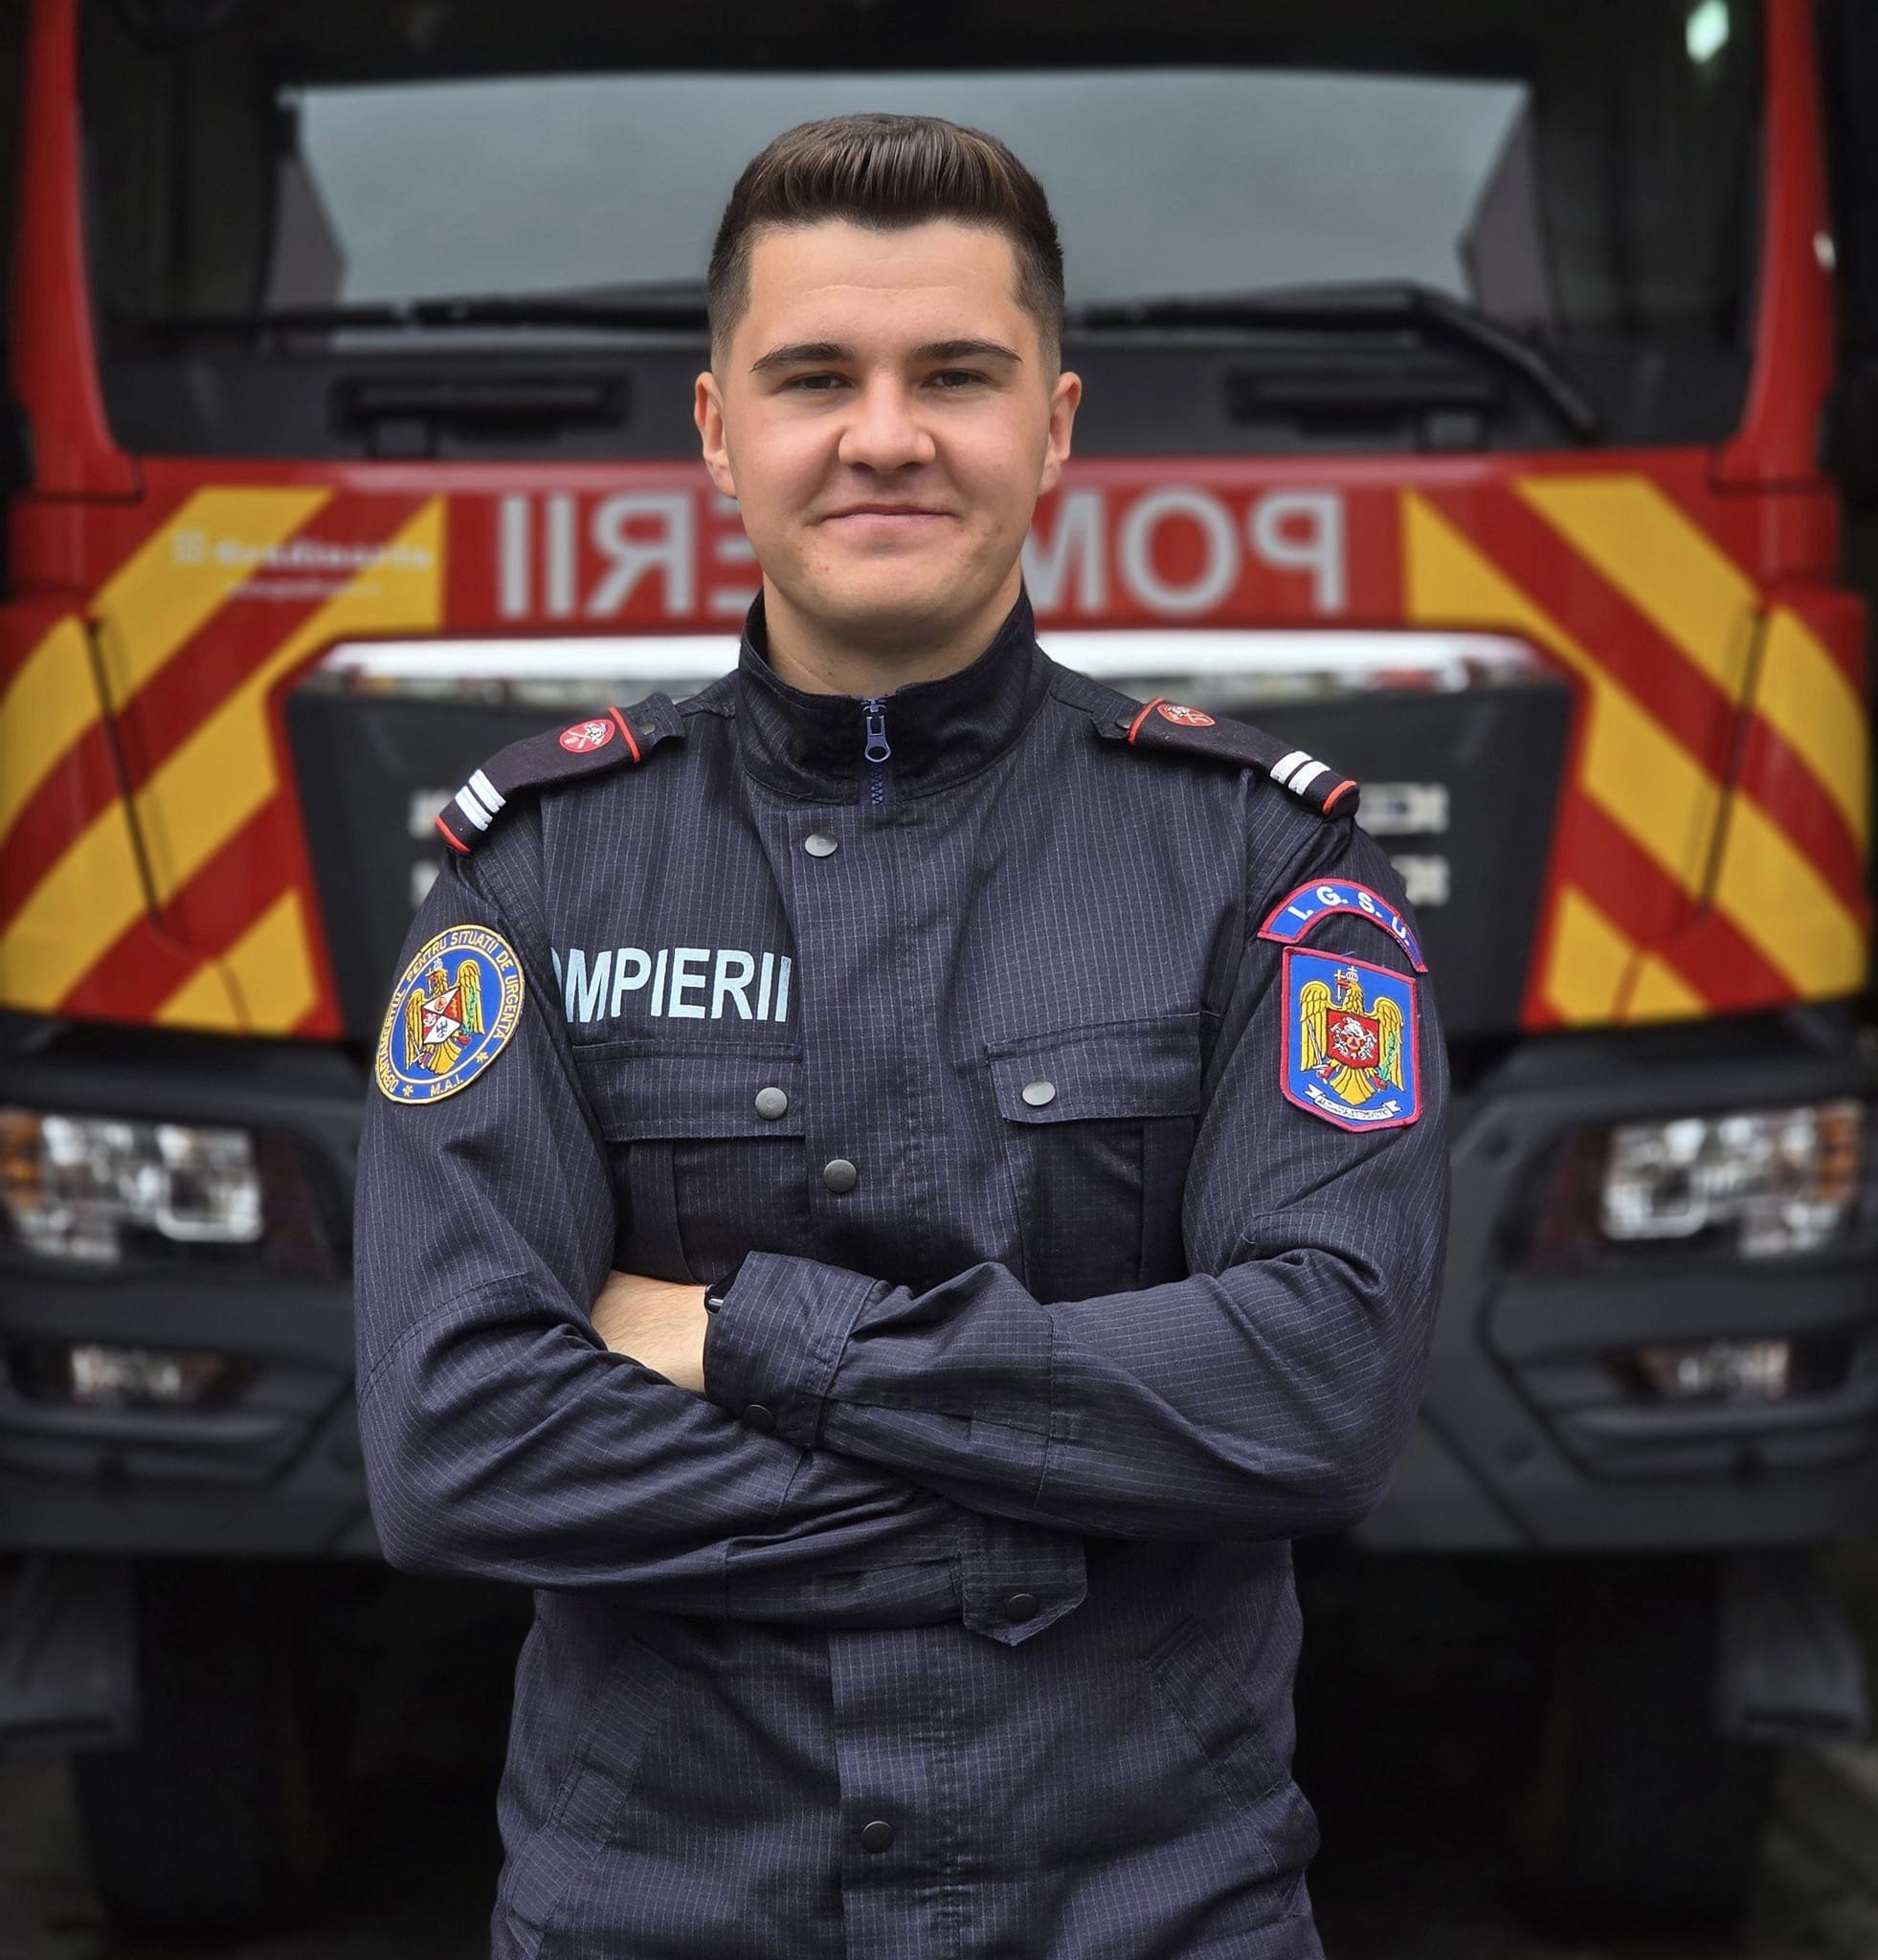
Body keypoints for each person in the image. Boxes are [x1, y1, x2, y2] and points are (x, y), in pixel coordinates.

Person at [354, 111, 1450, 1960]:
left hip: (1149, 1912)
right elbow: (459, 1443)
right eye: (814, 378)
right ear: (718, 431)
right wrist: (1055, 1508)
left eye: (954, 374)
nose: (884, 434)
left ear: (1055, 424)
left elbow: (1318, 1391)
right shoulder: (537, 878)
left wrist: (744, 1340)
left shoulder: (1265, 867)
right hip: (660, 1918)